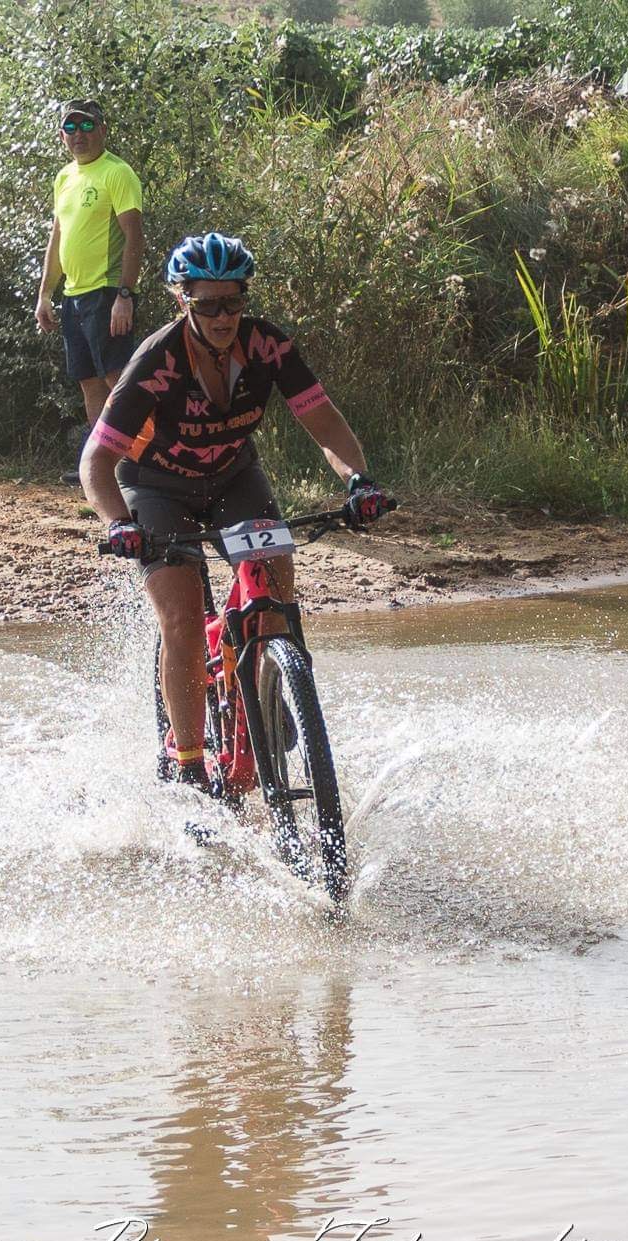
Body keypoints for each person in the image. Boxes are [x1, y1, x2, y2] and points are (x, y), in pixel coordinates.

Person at [78, 232, 391, 794]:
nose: (224, 316)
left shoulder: (268, 346)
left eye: (234, 302)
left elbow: (324, 423)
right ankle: (192, 763)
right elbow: (95, 461)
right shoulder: (157, 360)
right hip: (155, 487)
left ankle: (275, 686)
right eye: (208, 304)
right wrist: (118, 524)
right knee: (182, 615)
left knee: (275, 581)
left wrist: (358, 481)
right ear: (183, 301)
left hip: (232, 479)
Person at [35, 98, 144, 483]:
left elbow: (134, 237)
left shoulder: (117, 173)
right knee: (89, 382)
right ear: (61, 134)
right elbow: (58, 236)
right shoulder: (65, 177)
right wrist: (45, 293)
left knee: (119, 379)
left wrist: (125, 295)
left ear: (102, 128)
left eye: (86, 126)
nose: (78, 135)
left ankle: (148, 464)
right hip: (74, 296)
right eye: (70, 128)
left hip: (107, 293)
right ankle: (101, 468)